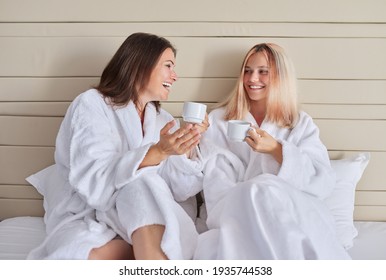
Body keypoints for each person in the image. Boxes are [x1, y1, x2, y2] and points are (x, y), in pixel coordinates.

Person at [26, 32, 208, 260]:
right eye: (168, 66)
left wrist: (190, 143)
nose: (175, 76)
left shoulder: (162, 118)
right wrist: (157, 152)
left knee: (142, 186)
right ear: (141, 64)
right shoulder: (92, 103)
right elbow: (94, 176)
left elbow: (180, 190)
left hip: (141, 215)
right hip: (90, 210)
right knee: (80, 255)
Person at [194, 43, 351, 259]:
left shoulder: (298, 123)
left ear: (280, 77)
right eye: (247, 71)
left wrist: (277, 150)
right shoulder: (218, 121)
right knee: (256, 190)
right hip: (232, 209)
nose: (252, 79)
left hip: (289, 210)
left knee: (261, 189)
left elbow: (322, 181)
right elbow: (208, 179)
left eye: (262, 72)